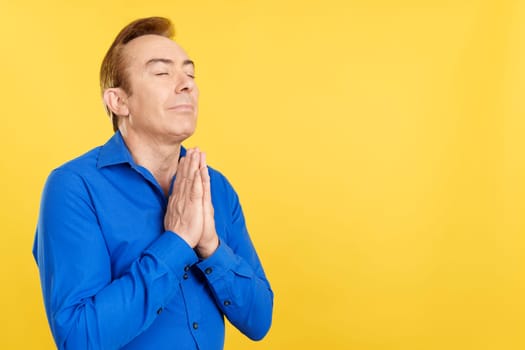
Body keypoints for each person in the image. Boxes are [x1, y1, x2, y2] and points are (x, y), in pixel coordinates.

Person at [32, 16, 273, 350]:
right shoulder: (73, 187)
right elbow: (79, 338)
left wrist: (211, 247)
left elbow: (259, 319)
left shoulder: (216, 187)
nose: (185, 84)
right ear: (119, 102)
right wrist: (176, 242)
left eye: (190, 74)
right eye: (162, 73)